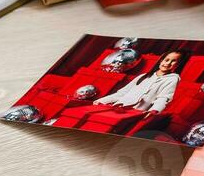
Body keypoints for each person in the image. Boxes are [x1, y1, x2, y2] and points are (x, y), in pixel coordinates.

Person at [50, 50, 185, 132]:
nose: (168, 63)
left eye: (173, 62)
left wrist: (154, 110)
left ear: (177, 65)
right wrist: (103, 100)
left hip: (136, 111)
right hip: (117, 107)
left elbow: (164, 97)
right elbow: (122, 93)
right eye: (166, 59)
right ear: (161, 60)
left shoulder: (172, 78)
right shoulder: (143, 76)